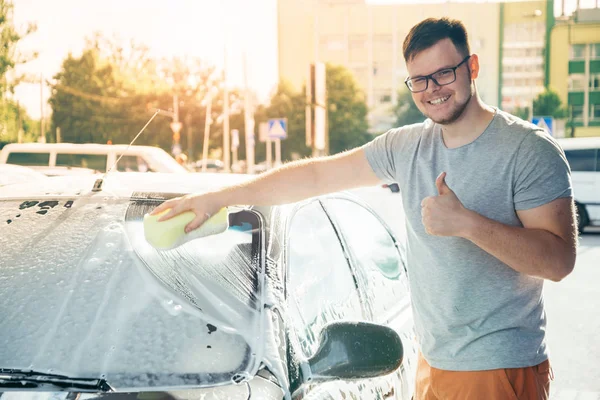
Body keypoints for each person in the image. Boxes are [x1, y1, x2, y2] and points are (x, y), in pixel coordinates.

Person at [150, 17, 576, 400]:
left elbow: (558, 261)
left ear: (472, 68)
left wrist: (468, 224)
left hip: (497, 368)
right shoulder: (407, 146)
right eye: (419, 80)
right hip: (433, 364)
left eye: (444, 72)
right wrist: (217, 197)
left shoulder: (527, 150)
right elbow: (316, 177)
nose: (433, 89)